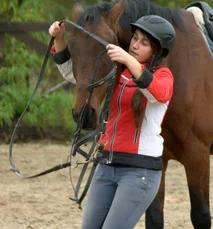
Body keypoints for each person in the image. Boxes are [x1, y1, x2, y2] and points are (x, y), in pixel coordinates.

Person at [48, 15, 176, 229]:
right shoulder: (116, 72)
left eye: (144, 43)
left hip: (140, 172)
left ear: (156, 52)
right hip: (106, 165)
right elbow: (77, 74)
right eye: (135, 38)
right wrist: (59, 39)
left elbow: (159, 93)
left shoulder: (163, 76)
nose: (135, 45)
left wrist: (128, 60)